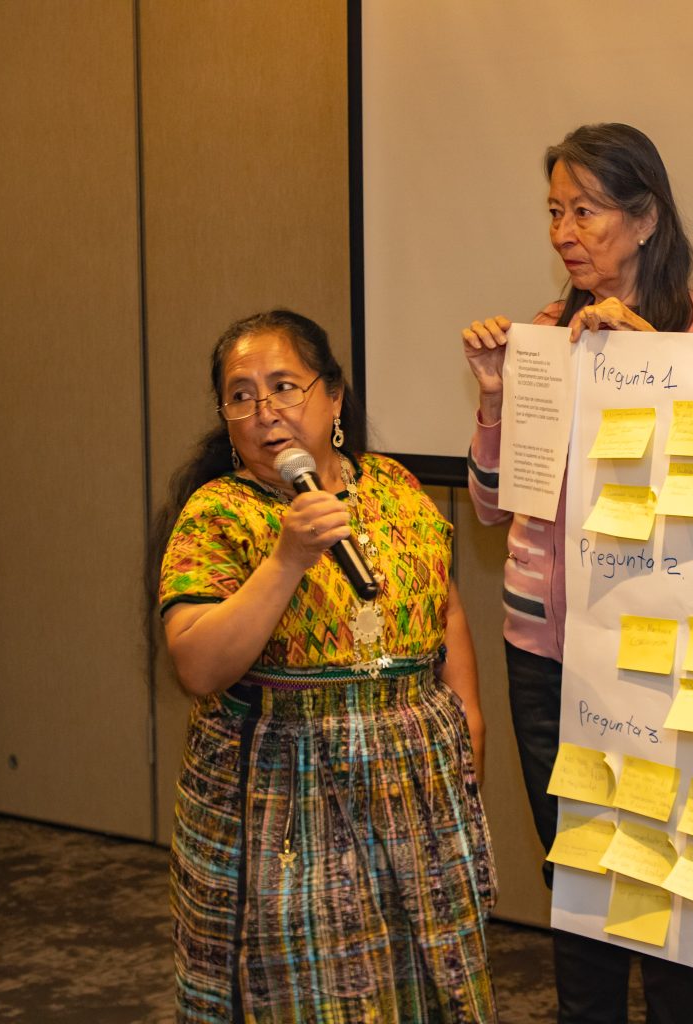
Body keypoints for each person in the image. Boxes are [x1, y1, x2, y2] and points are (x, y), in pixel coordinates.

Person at [460, 122, 693, 1024]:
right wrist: (495, 397)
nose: (565, 233)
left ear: (645, 219)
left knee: (670, 876)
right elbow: (493, 507)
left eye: (586, 211)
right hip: (544, 649)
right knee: (579, 877)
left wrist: (646, 362)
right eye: (554, 212)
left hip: (659, 654)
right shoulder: (544, 336)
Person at [156, 310, 496, 1022]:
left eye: (284, 387)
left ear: (334, 397)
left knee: (426, 987)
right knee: (311, 997)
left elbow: (444, 610)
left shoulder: (394, 486)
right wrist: (287, 559)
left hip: (417, 790)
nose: (265, 411)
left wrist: (467, 731)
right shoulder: (219, 512)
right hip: (286, 799)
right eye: (241, 396)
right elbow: (197, 664)